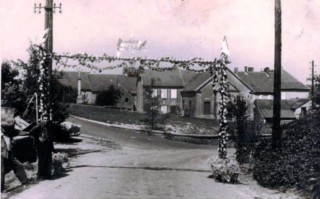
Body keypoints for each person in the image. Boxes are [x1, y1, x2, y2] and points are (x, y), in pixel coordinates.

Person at [1, 127, 28, 192]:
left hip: (10, 153)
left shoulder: (9, 132)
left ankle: (24, 181)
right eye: (4, 128)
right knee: (1, 171)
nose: (5, 129)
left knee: (19, 165)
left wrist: (30, 132)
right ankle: (1, 189)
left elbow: (19, 132)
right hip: (2, 154)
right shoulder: (1, 134)